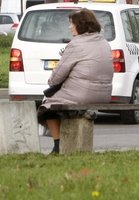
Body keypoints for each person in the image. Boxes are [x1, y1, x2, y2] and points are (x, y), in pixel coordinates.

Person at [37, 8, 113, 154]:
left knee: (47, 107)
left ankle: (58, 145)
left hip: (83, 94)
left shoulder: (76, 44)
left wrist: (51, 82)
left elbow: (57, 75)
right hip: (104, 94)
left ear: (80, 25)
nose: (70, 26)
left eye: (72, 23)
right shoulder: (104, 42)